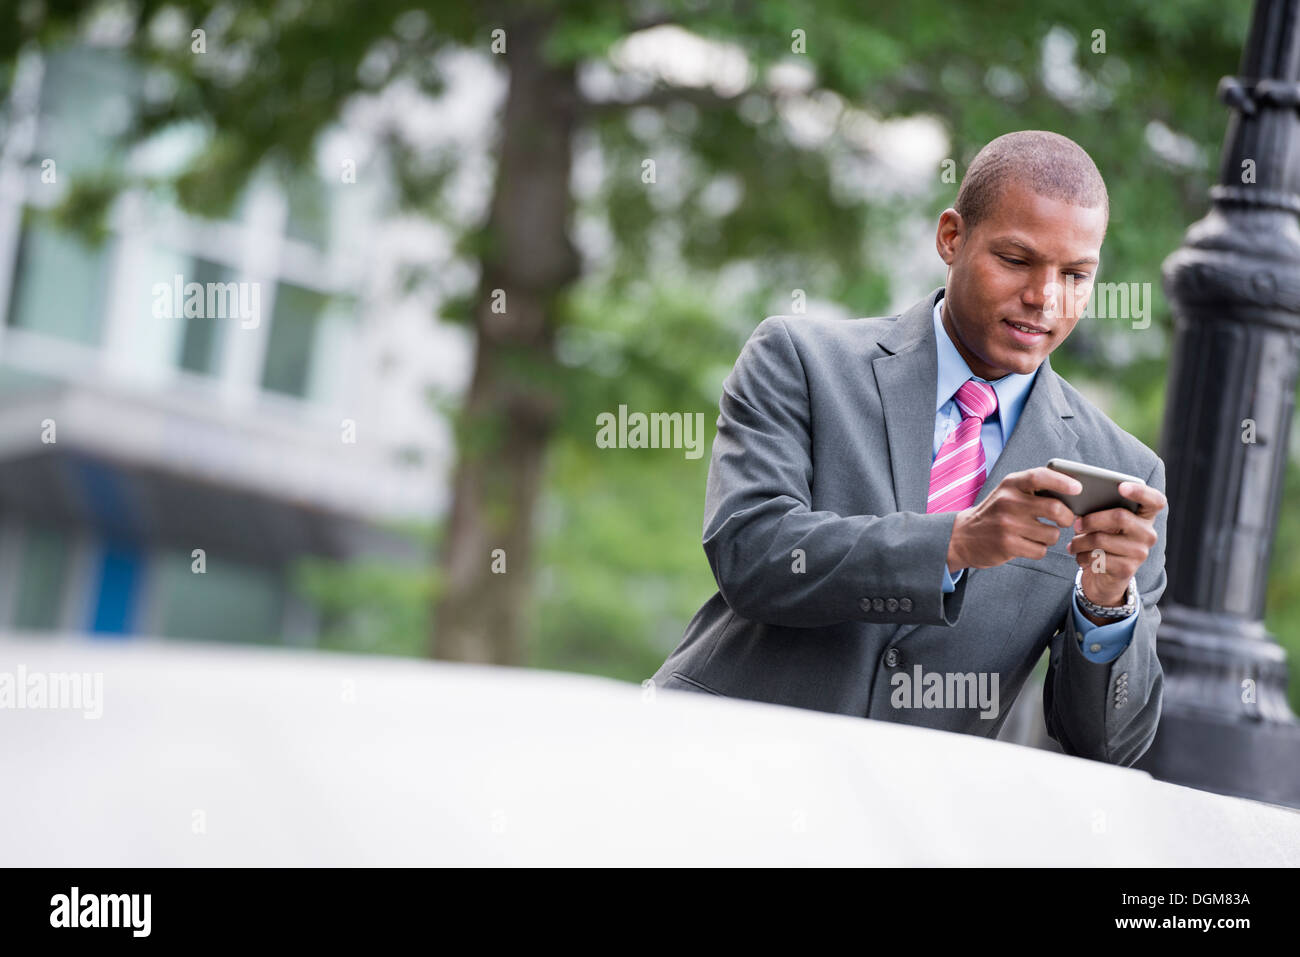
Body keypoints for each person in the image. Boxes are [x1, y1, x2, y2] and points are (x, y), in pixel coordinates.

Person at [651, 130, 1168, 766]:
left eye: (1075, 274)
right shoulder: (800, 361)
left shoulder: (1124, 474)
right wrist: (952, 542)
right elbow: (752, 554)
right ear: (952, 237)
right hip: (715, 768)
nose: (1045, 298)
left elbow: (1108, 743)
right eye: (1015, 260)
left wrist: (1107, 602)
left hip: (908, 822)